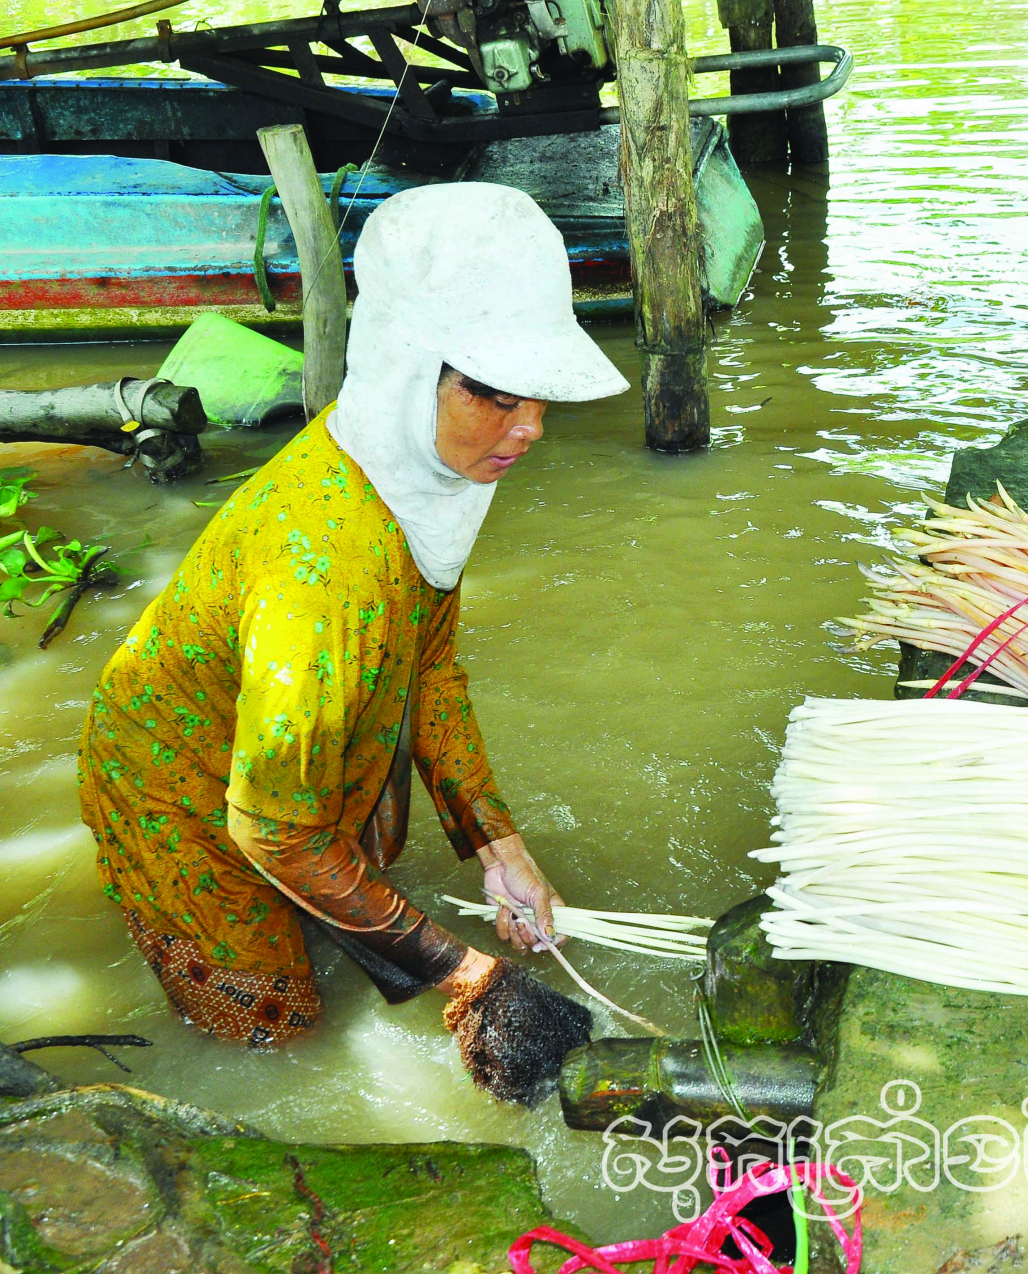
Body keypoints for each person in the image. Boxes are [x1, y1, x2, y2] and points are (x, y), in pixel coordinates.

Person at [77, 183, 628, 1103]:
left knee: (344, 898)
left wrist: (499, 846)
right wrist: (469, 982)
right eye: (494, 395)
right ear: (413, 375)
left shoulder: (433, 469)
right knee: (271, 1032)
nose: (529, 428)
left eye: (539, 399)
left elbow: (430, 665)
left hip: (295, 767)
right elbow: (272, 826)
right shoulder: (326, 565)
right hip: (182, 793)